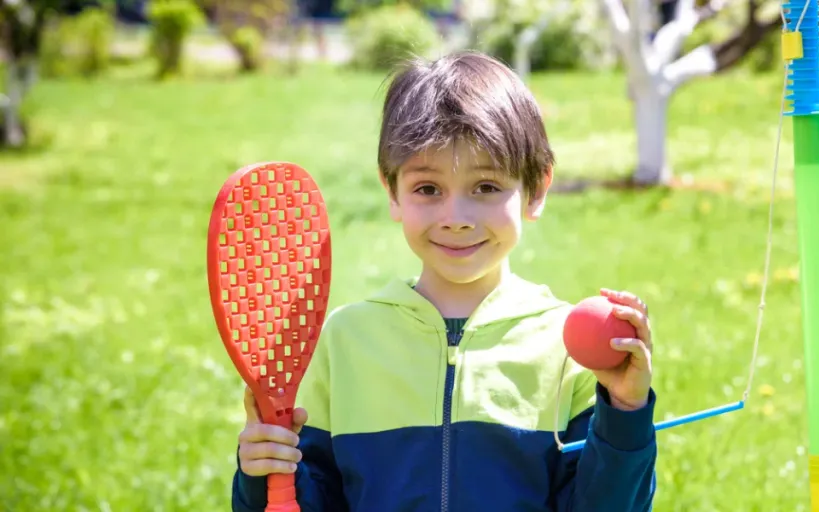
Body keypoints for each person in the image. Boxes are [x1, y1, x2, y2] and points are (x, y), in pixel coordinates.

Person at [231, 50, 659, 512]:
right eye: (428, 189)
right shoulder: (345, 341)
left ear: (536, 191)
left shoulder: (566, 351)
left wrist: (624, 414)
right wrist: (263, 476)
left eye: (486, 188)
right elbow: (311, 500)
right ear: (391, 190)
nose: (456, 218)